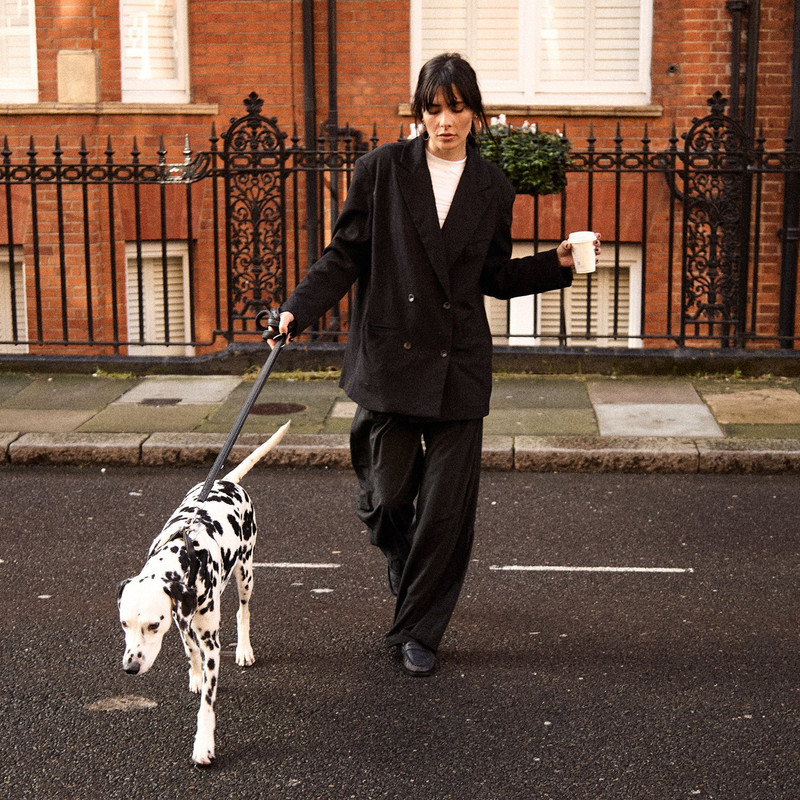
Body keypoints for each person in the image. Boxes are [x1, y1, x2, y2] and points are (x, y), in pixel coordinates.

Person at [271, 53, 600, 677]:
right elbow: (344, 256)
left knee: (445, 512)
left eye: (455, 108)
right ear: (420, 112)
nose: (444, 121)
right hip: (391, 358)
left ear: (475, 111)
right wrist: (295, 311)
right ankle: (408, 566)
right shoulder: (382, 171)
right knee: (390, 499)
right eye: (433, 108)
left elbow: (494, 277)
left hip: (457, 366)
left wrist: (555, 261)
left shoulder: (491, 186)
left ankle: (420, 630)